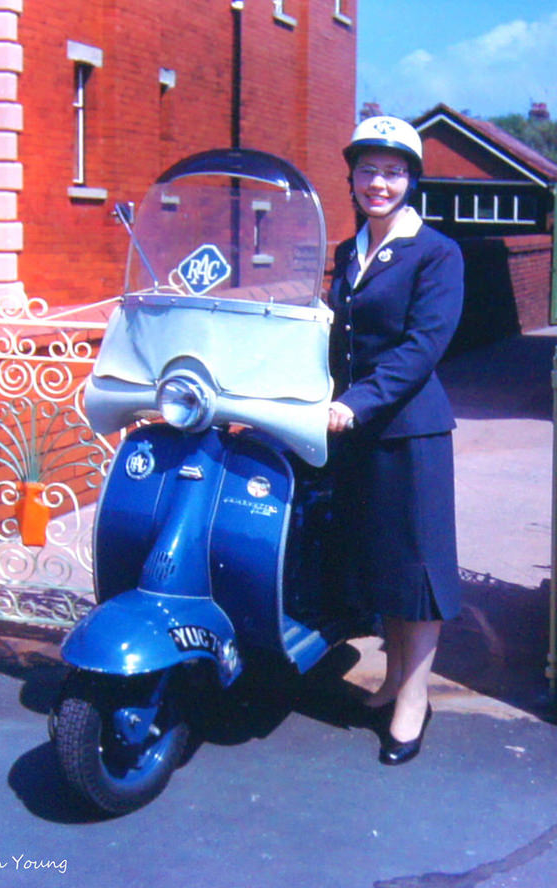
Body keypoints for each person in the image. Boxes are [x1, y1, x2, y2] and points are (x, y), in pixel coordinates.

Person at [327, 115, 464, 765]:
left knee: (417, 571)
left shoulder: (436, 253)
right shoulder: (346, 251)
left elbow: (420, 349)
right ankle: (389, 682)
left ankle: (415, 701)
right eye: (368, 170)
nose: (379, 183)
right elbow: (333, 338)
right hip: (353, 431)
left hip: (409, 431)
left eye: (393, 171)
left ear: (411, 180)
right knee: (381, 568)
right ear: (351, 176)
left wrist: (354, 404)